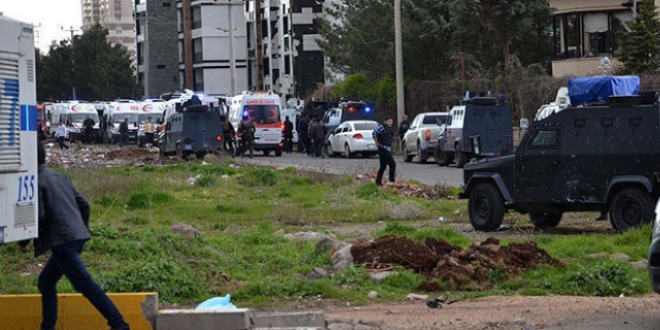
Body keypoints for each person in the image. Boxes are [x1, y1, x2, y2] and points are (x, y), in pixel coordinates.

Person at [33, 142, 131, 330]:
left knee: (86, 286)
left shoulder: (36, 181)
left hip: (63, 240)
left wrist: (24, 240)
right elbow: (85, 205)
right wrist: (81, 230)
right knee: (46, 282)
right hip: (75, 236)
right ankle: (47, 327)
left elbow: (40, 215)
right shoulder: (60, 177)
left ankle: (120, 326)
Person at [373, 116, 396, 186]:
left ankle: (378, 182)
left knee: (383, 166)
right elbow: (374, 133)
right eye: (389, 121)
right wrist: (376, 143)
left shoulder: (389, 129)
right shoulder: (382, 127)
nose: (390, 123)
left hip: (387, 148)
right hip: (383, 148)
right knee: (392, 164)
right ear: (385, 121)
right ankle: (391, 181)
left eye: (391, 121)